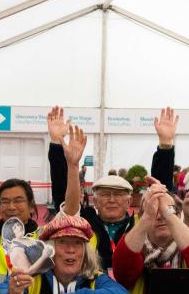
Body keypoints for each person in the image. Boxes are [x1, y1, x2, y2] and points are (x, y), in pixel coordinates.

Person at [0, 213, 131, 294]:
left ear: (85, 252)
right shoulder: (33, 277)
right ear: (49, 250)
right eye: (62, 242)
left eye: (78, 243)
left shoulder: (94, 278)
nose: (71, 249)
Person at [112, 182, 189, 294]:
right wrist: (148, 217)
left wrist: (169, 215)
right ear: (141, 218)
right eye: (153, 210)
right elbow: (122, 274)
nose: (160, 216)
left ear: (178, 216)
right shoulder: (135, 245)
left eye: (168, 209)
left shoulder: (188, 245)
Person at [53, 115, 134, 270]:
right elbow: (65, 202)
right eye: (105, 194)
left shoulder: (137, 226)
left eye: (117, 194)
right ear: (95, 202)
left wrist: (165, 147)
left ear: (129, 202)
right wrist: (71, 164)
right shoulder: (84, 223)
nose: (111, 200)